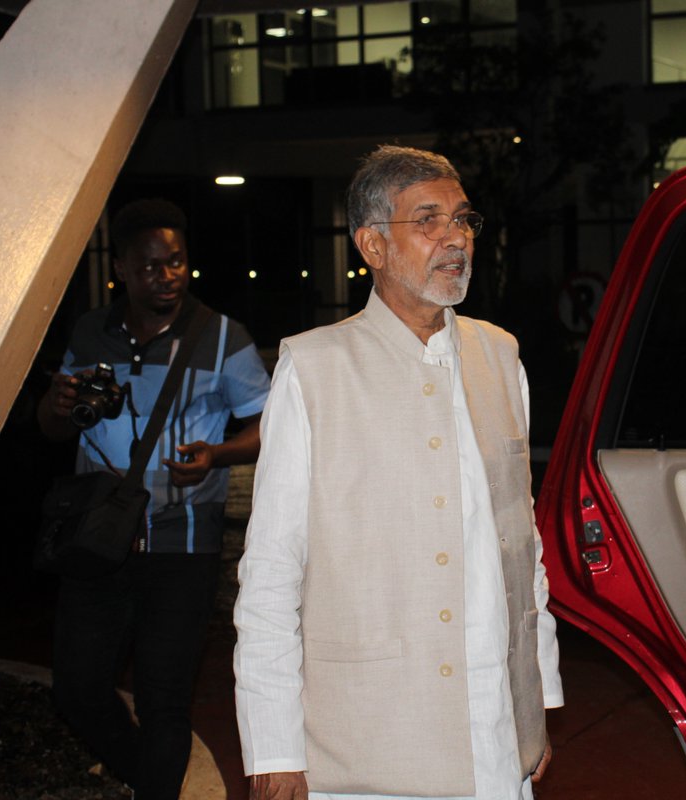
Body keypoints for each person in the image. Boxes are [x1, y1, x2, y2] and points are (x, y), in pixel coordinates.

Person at [233, 145, 563, 800]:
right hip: (367, 747)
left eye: (463, 220)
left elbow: (522, 547)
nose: (456, 239)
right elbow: (271, 570)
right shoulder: (316, 370)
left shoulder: (500, 357)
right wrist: (273, 748)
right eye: (429, 220)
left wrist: (538, 701)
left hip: (497, 730)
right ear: (372, 245)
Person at [37, 198, 271, 799]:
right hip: (98, 540)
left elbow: (271, 425)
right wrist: (57, 406)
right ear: (120, 267)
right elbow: (55, 428)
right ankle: (151, 780)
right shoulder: (91, 331)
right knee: (78, 689)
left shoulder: (223, 338)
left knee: (166, 700)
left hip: (183, 544)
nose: (165, 276)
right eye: (149, 267)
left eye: (176, 262)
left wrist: (217, 454)